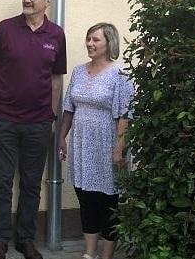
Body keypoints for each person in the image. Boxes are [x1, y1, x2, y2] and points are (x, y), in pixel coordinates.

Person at [0, 0, 67, 259]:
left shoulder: (56, 35)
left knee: (31, 183)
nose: (27, 0)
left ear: (47, 2)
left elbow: (55, 80)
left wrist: (51, 116)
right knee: (2, 181)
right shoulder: (5, 29)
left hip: (38, 122)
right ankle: (0, 240)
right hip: (3, 119)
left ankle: (25, 239)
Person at [58, 23, 134, 259]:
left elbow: (125, 114)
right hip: (82, 144)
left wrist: (119, 149)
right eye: (88, 39)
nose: (90, 44)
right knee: (86, 198)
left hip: (107, 144)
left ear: (109, 43)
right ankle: (89, 253)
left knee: (108, 201)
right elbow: (69, 108)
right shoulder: (79, 72)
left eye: (96, 40)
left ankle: (107, 255)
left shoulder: (121, 75)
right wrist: (61, 137)